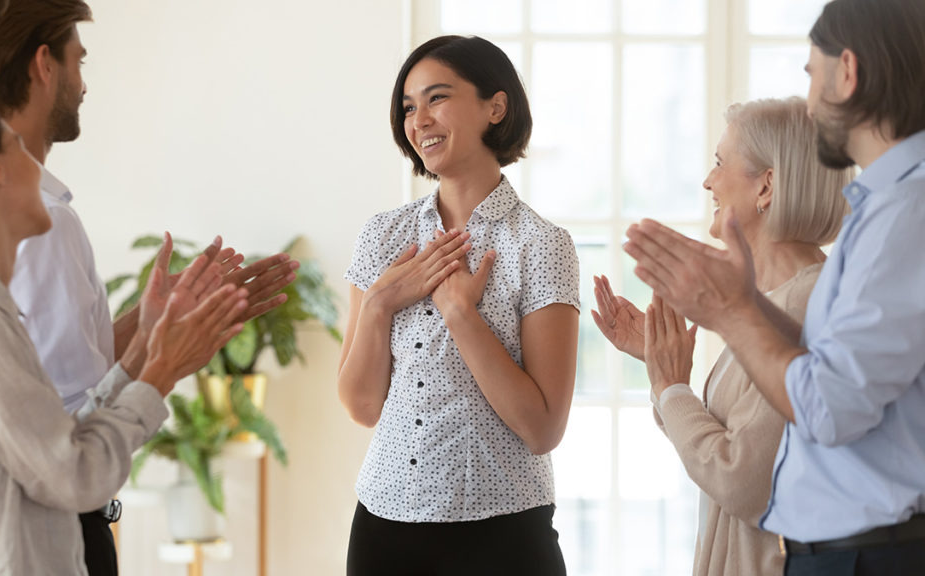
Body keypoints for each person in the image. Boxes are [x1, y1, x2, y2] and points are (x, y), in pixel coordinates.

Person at [0, 1, 299, 572]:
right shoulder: (42, 222)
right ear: (43, 65)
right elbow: (75, 438)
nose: (84, 84)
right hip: (49, 530)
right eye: (78, 60)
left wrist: (150, 324)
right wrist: (166, 358)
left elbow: (41, 375)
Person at [621, 0, 925, 574]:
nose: (810, 104)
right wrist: (728, 307)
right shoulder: (883, 209)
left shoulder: (905, 211)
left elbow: (827, 407)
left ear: (848, 73)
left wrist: (732, 312)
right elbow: (824, 353)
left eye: (811, 74)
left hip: (869, 554)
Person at [0, 102, 248, 575]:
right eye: (18, 147)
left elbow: (52, 448)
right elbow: (76, 474)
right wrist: (160, 372)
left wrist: (145, 343)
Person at [337, 35, 580, 575]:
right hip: (383, 530)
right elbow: (360, 406)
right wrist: (378, 305)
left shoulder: (541, 245)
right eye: (408, 106)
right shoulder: (383, 237)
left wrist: (462, 316)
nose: (418, 119)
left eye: (437, 98)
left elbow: (543, 429)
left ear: (496, 107)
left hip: (504, 537)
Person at [593, 97, 853, 576]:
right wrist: (659, 365)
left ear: (767, 185)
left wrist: (672, 388)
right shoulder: (775, 298)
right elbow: (721, 440)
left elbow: (740, 479)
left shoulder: (805, 302)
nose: (708, 181)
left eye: (719, 162)